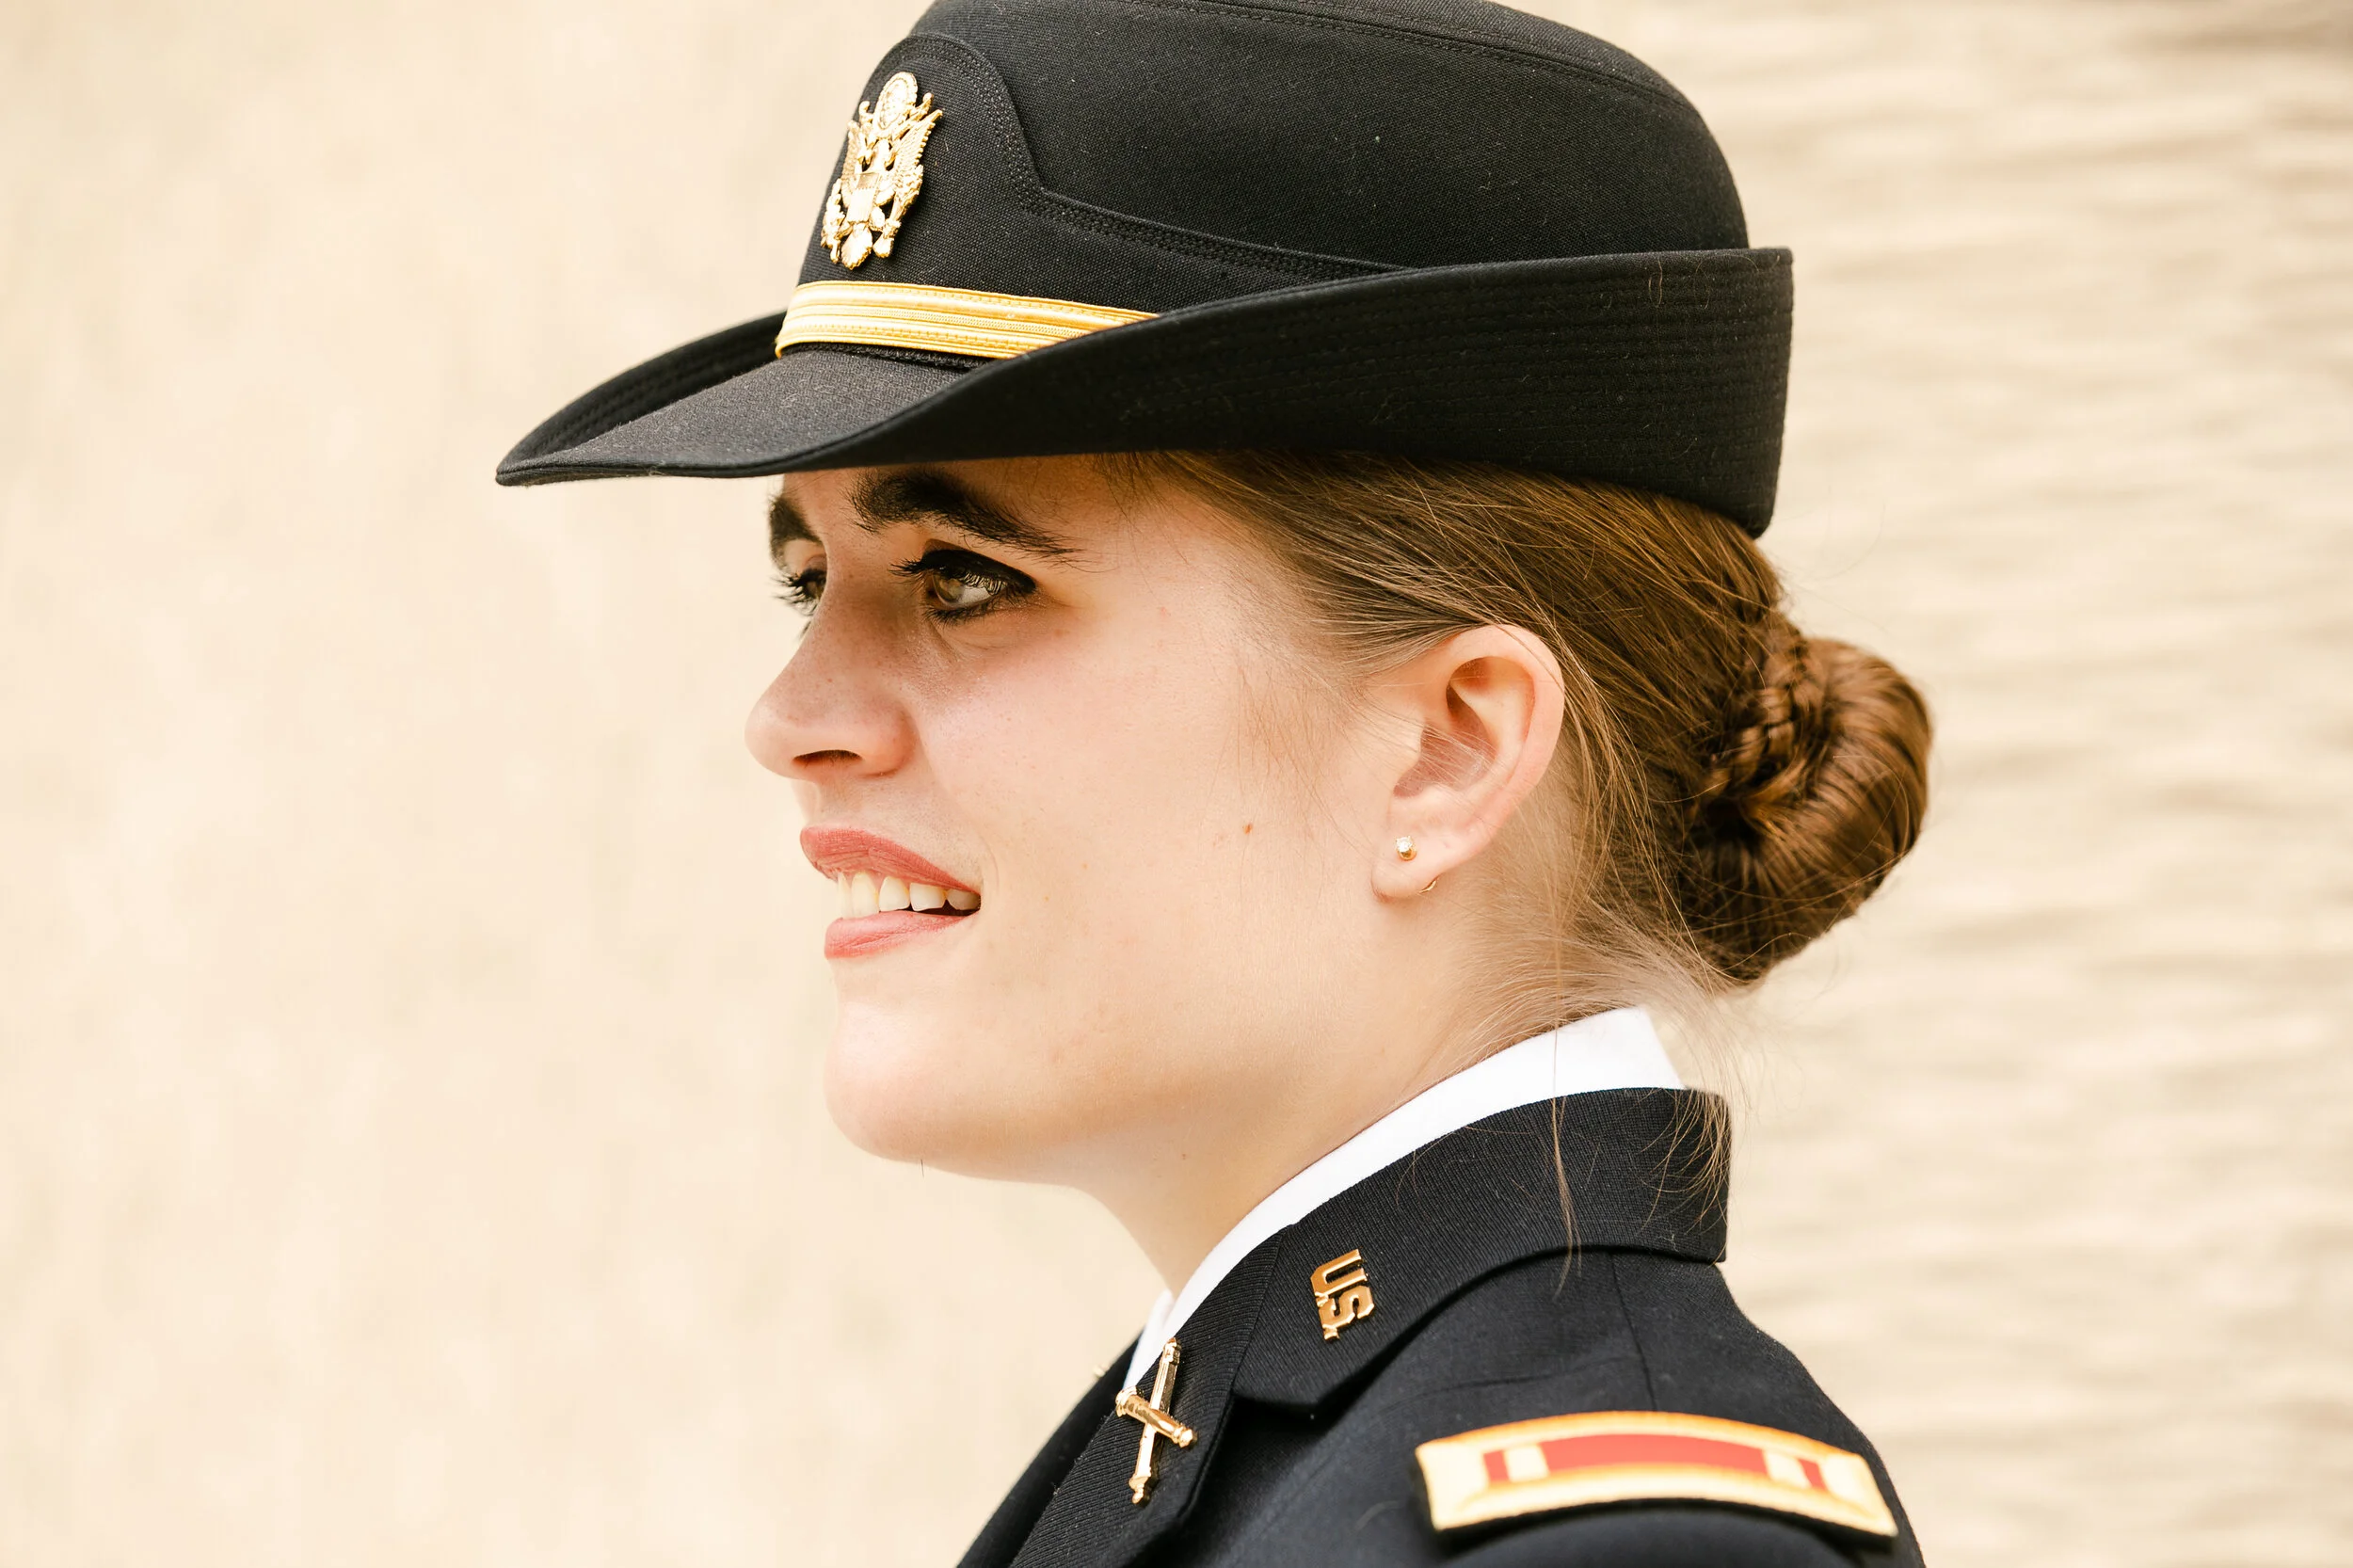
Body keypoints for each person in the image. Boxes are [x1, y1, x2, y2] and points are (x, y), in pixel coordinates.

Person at [497, 1, 1935, 1562]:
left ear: (1448, 745)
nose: (793, 716)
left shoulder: (1613, 1549)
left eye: (964, 578)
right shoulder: (1280, 1449)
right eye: (806, 576)